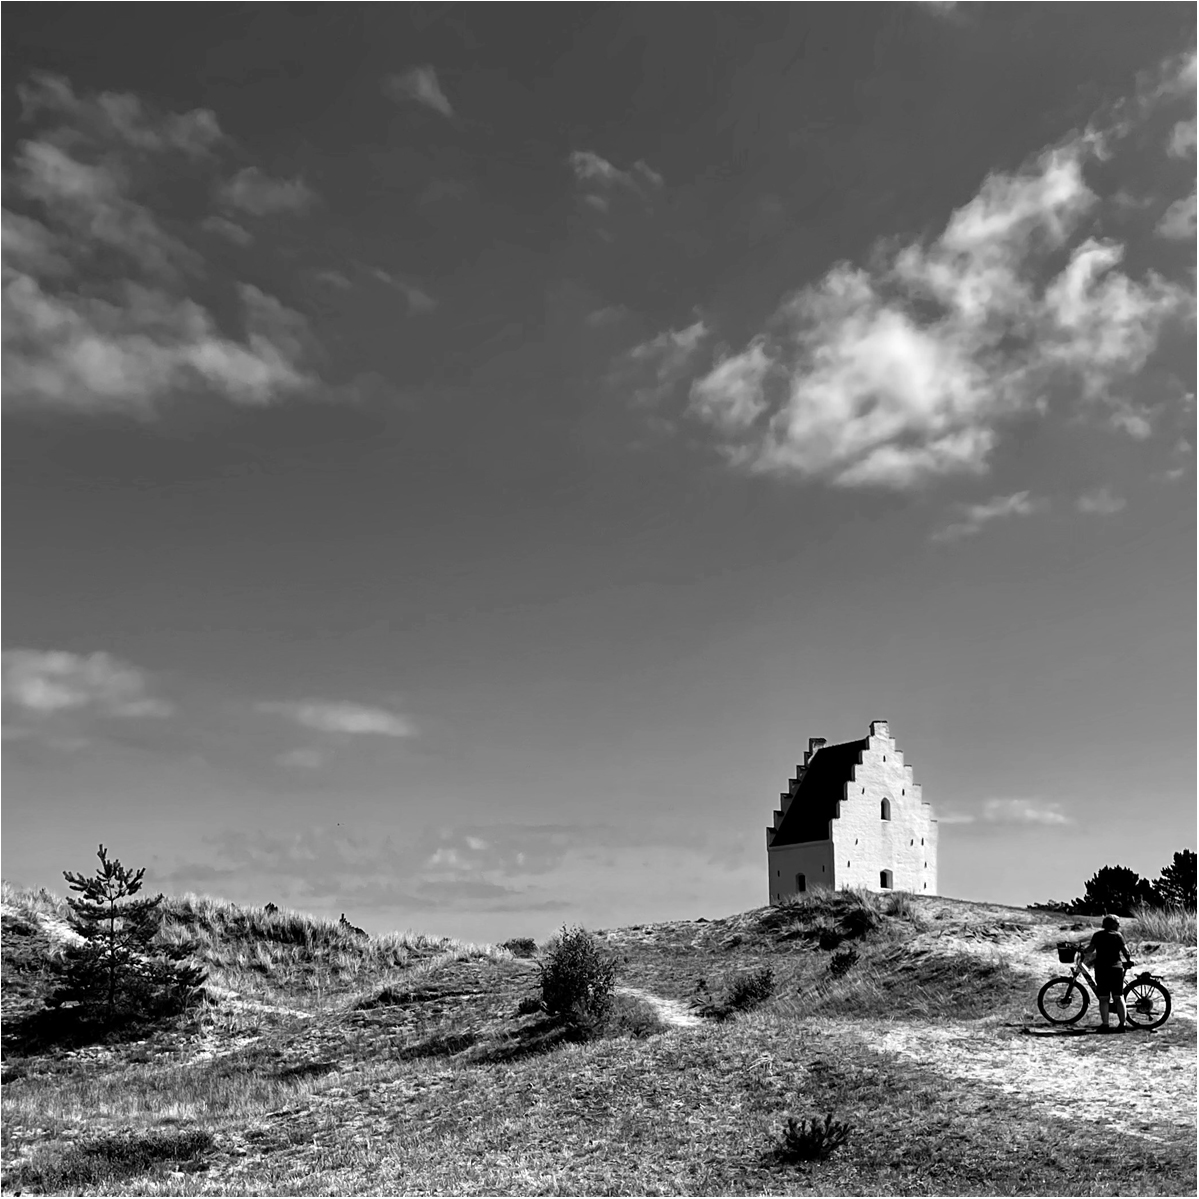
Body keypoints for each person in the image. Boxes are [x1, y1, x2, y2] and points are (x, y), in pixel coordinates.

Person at [1083, 915, 1134, 1032]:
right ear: (1113, 925)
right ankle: (1122, 1024)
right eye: (1117, 923)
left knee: (1104, 998)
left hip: (1102, 969)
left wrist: (1083, 950)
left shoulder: (1098, 935)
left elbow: (1090, 949)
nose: (1119, 925)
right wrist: (1129, 960)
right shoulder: (1118, 936)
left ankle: (1105, 1024)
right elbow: (1126, 951)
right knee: (1119, 996)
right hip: (1116, 968)